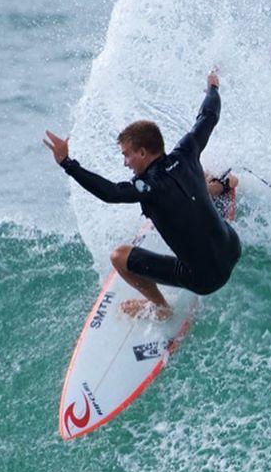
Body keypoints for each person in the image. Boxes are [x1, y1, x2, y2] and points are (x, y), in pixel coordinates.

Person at [44, 70, 240, 320]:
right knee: (196, 176)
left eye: (127, 154)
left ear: (144, 153)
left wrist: (67, 163)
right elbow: (209, 115)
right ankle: (221, 186)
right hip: (232, 247)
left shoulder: (149, 188)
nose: (125, 162)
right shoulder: (187, 150)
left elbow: (111, 193)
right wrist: (213, 87)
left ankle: (160, 307)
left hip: (206, 279)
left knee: (119, 256)